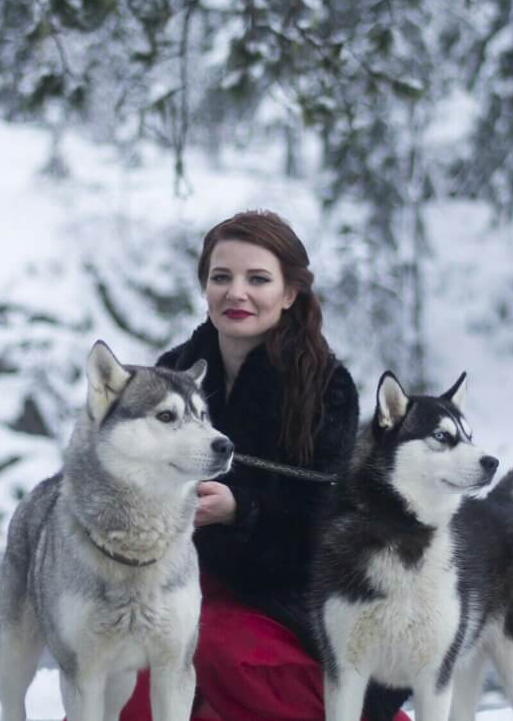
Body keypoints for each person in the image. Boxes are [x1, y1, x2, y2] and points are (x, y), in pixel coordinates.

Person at [118, 209, 411, 721]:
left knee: (213, 645)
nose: (237, 293)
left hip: (288, 597)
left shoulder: (325, 388)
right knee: (129, 671)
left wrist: (242, 510)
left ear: (290, 293)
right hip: (178, 577)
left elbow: (326, 529)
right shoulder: (170, 372)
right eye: (221, 277)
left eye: (258, 279)